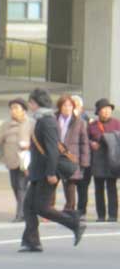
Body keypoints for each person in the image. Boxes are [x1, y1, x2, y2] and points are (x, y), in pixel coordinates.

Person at [20, 88, 86, 253]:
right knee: (28, 206)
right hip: (38, 171)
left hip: (47, 173)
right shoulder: (41, 120)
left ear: (36, 103)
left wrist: (50, 173)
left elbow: (52, 150)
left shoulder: (47, 121)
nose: (29, 105)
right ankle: (32, 242)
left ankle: (74, 222)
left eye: (31, 102)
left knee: (42, 208)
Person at [0, 98, 32, 222]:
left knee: (22, 186)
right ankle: (26, 211)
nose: (13, 111)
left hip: (25, 162)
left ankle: (20, 214)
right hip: (11, 161)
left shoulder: (31, 123)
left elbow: (38, 142)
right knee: (15, 186)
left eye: (16, 108)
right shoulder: (6, 124)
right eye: (12, 108)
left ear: (24, 110)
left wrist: (29, 146)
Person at [54, 94, 90, 214]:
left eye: (70, 105)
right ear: (60, 106)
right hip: (55, 156)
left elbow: (84, 142)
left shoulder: (79, 122)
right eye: (65, 105)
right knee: (52, 182)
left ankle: (70, 208)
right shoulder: (53, 120)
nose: (67, 108)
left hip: (71, 157)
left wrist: (84, 161)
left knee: (70, 184)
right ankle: (49, 208)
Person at [87, 98, 120, 221]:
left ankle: (113, 215)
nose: (106, 112)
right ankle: (101, 215)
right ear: (98, 112)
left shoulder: (117, 123)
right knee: (98, 189)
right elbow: (86, 139)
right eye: (103, 109)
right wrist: (91, 143)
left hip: (113, 160)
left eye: (108, 109)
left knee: (112, 188)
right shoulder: (92, 126)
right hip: (98, 161)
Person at [71, 95, 94, 217]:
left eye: (76, 105)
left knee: (83, 185)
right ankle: (70, 208)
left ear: (81, 108)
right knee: (69, 185)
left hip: (85, 157)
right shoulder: (65, 120)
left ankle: (81, 210)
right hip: (70, 157)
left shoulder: (88, 121)